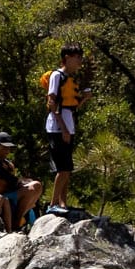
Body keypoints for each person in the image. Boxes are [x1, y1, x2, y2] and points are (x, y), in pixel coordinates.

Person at [41, 44, 86, 214]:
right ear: (67, 57)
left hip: (68, 126)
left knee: (67, 168)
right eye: (77, 57)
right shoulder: (56, 76)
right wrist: (63, 128)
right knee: (63, 168)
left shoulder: (70, 78)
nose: (80, 61)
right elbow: (52, 102)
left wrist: (85, 100)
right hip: (57, 127)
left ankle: (63, 204)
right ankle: (52, 205)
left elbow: (72, 107)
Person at [0, 133, 43, 231]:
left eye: (9, 148)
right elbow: (6, 177)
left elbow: (13, 180)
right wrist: (21, 183)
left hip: (9, 196)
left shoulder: (7, 163)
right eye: (4, 148)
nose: (7, 151)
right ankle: (15, 225)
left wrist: (22, 182)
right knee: (33, 187)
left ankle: (22, 222)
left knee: (36, 186)